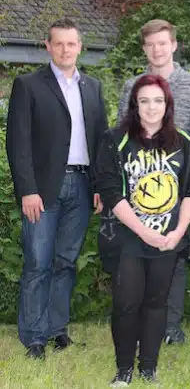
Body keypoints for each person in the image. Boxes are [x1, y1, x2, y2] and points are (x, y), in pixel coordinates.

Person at [6, 18, 108, 360]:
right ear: (47, 46)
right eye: (59, 43)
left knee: (66, 261)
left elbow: (100, 142)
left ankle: (56, 329)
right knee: (38, 262)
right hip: (43, 188)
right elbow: (17, 143)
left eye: (72, 43)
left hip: (82, 185)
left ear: (80, 46)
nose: (66, 49)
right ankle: (34, 337)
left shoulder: (92, 87)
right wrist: (27, 190)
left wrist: (99, 185)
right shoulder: (28, 85)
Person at [109, 19, 190, 345]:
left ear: (174, 45)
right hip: (140, 185)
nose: (157, 49)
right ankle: (142, 325)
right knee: (137, 255)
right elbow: (119, 140)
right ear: (144, 49)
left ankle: (171, 327)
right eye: (151, 44)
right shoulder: (132, 86)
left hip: (181, 186)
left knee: (174, 253)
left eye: (163, 43)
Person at [96, 74, 190, 385]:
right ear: (135, 105)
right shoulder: (115, 139)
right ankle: (124, 369)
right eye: (144, 101)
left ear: (167, 104)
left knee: (157, 304)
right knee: (127, 302)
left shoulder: (185, 141)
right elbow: (111, 192)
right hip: (129, 236)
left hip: (169, 238)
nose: (151, 107)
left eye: (158, 100)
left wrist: (179, 231)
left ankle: (148, 368)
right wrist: (144, 232)